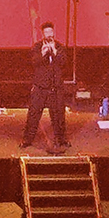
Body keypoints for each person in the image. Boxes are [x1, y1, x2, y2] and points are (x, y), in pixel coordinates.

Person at [21, 21, 68, 152]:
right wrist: (43, 53)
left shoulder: (60, 47)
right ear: (43, 34)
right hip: (40, 87)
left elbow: (63, 63)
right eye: (46, 32)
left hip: (55, 87)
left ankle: (62, 139)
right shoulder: (37, 47)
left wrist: (54, 51)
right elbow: (33, 63)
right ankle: (27, 140)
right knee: (33, 114)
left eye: (50, 32)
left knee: (58, 115)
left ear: (53, 33)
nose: (49, 35)